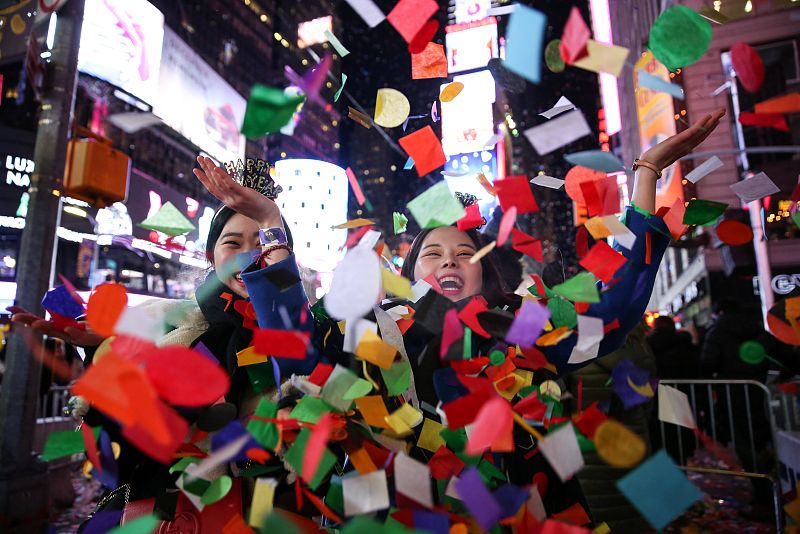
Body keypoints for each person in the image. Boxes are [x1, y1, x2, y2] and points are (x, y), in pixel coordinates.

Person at [647, 315, 700, 379]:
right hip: (685, 381)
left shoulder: (648, 344)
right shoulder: (683, 339)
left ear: (655, 326)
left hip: (661, 383)